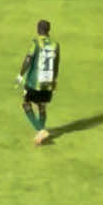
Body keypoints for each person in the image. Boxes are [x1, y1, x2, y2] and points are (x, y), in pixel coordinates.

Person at [17, 18, 60, 146]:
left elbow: (28, 60)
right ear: (49, 30)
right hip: (48, 82)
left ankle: (40, 130)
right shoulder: (55, 45)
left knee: (26, 104)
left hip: (34, 82)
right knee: (41, 106)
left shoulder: (35, 43)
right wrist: (53, 81)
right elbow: (57, 64)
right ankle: (40, 135)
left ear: (38, 29)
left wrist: (20, 75)